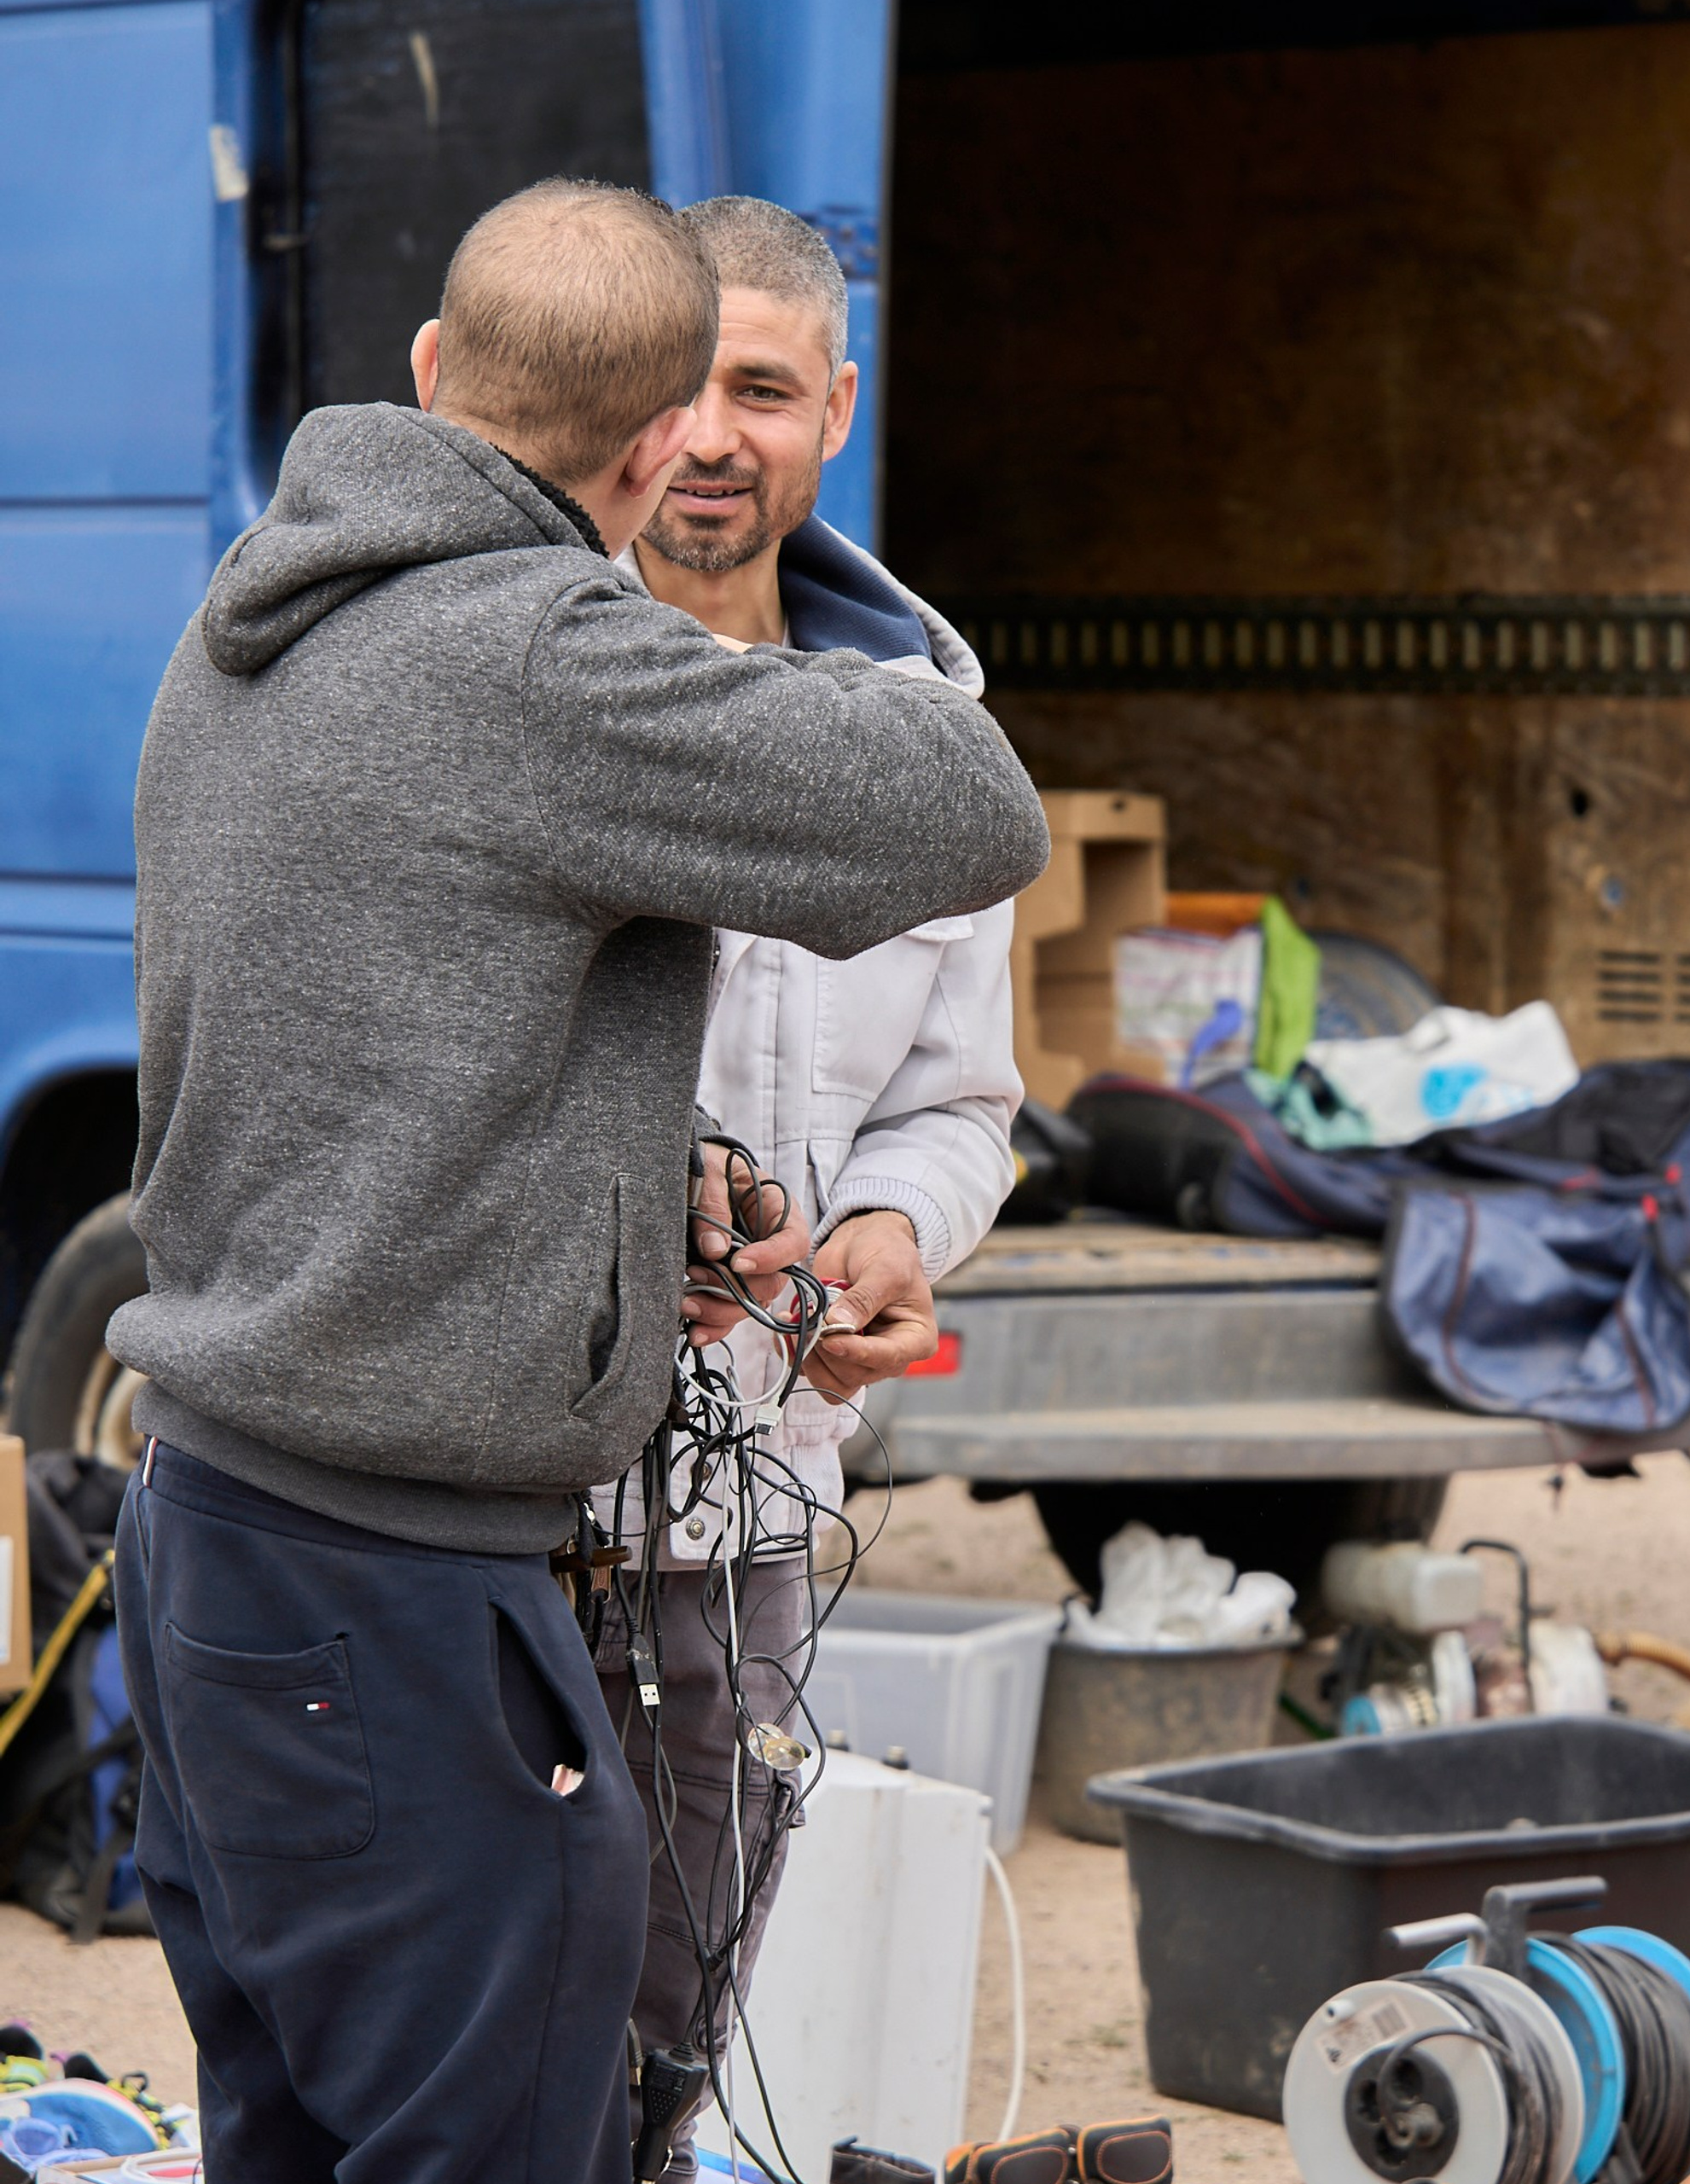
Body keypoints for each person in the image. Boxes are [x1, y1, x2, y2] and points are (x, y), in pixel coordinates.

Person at [107, 179, 1048, 2184]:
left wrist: (645, 1182)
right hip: (401, 1591)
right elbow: (971, 799)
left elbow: (390, 1044)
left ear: (433, 370)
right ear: (641, 461)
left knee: (297, 2135)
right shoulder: (544, 657)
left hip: (214, 1535)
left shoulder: (253, 609)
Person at [590, 197, 1024, 2184]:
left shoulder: (930, 750)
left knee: (687, 1995)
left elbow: (961, 1101)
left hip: (763, 1505)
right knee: (480, 1988)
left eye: (756, 388)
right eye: (672, 384)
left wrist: (887, 1234)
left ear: (830, 410)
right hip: (496, 1500)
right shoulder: (523, 687)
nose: (705, 434)